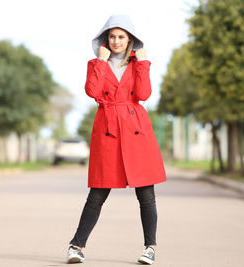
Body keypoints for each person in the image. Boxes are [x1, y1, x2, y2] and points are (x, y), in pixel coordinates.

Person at [67, 14, 166, 265]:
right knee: (97, 193)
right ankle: (76, 246)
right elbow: (92, 91)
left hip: (135, 129)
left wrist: (144, 64)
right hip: (108, 129)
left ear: (130, 39)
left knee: (146, 193)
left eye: (121, 36)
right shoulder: (97, 63)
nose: (116, 41)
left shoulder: (137, 64)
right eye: (112, 36)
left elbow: (143, 94)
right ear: (105, 39)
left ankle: (150, 248)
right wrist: (100, 62)